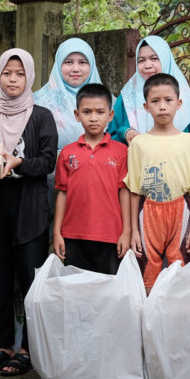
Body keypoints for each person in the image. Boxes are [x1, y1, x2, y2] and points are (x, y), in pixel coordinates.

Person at [0, 49, 57, 376]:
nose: (13, 80)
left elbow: (48, 161)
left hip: (29, 208)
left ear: (29, 76)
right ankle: (2, 344)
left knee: (30, 281)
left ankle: (28, 348)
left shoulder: (41, 116)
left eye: (20, 74)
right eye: (7, 73)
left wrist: (19, 163)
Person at [125, 73, 190, 292]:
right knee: (147, 275)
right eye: (155, 101)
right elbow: (133, 190)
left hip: (181, 211)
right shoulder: (139, 144)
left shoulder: (189, 141)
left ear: (179, 104)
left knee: (182, 273)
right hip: (148, 214)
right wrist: (133, 229)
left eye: (168, 100)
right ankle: (148, 322)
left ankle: (179, 322)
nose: (162, 106)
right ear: (146, 106)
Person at [52, 83, 130, 274]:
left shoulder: (121, 151)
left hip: (110, 236)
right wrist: (57, 233)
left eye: (100, 112)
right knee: (76, 293)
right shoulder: (67, 153)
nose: (93, 118)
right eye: (87, 112)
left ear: (110, 115)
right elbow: (62, 193)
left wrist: (126, 232)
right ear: (77, 115)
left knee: (108, 293)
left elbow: (125, 192)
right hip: (73, 235)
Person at [108, 35, 190, 145]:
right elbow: (109, 138)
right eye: (141, 60)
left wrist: (174, 145)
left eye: (154, 59)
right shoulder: (127, 98)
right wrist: (125, 132)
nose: (147, 65)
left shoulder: (187, 99)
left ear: (166, 59)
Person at [34, 37, 105, 150]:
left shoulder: (108, 102)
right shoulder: (38, 102)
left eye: (82, 62)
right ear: (58, 65)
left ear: (91, 65)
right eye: (68, 62)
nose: (75, 69)